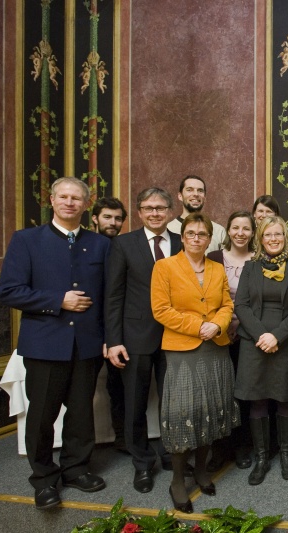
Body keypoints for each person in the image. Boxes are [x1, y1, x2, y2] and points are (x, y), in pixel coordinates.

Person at [0, 177, 109, 510]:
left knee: (80, 414)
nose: (70, 202)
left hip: (87, 344)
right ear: (51, 200)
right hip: (45, 345)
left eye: (77, 198)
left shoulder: (101, 244)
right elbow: (8, 291)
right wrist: (57, 300)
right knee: (42, 415)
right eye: (63, 196)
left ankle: (76, 469)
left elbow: (108, 296)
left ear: (87, 204)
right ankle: (44, 478)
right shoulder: (27, 240)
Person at [151, 213, 239, 514]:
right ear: (183, 236)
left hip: (215, 348)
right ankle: (177, 479)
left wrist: (216, 325)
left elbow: (227, 304)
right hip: (182, 349)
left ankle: (201, 470)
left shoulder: (217, 267)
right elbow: (161, 310)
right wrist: (197, 326)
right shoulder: (165, 267)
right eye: (191, 233)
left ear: (209, 237)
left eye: (203, 234)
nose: (197, 238)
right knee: (182, 413)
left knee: (209, 412)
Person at [105, 187, 181, 494]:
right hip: (134, 337)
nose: (155, 213)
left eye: (161, 208)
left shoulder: (180, 242)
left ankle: (169, 453)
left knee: (171, 401)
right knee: (134, 403)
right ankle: (141, 462)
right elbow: (113, 295)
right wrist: (113, 340)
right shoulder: (123, 244)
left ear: (170, 211)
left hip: (175, 336)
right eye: (148, 208)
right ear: (138, 212)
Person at [233, 216, 288, 484]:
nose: (274, 239)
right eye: (268, 235)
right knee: (257, 399)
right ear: (260, 239)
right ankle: (262, 457)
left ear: (285, 237)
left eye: (278, 234)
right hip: (253, 342)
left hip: (286, 341)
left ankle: (286, 454)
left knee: (285, 397)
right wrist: (262, 335)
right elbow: (240, 305)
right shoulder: (250, 268)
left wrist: (276, 336)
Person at [206, 211, 256, 472]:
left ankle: (241, 447)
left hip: (248, 338)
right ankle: (219, 449)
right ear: (228, 231)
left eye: (246, 228)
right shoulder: (213, 258)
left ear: (252, 232)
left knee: (244, 393)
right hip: (218, 336)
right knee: (219, 393)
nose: (240, 233)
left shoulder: (258, 260)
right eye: (235, 228)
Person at [91, 196, 128, 452]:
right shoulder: (87, 245)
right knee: (82, 394)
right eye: (107, 217)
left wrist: (113, 335)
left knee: (118, 389)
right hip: (89, 329)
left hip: (117, 329)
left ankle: (123, 440)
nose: (113, 223)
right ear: (94, 218)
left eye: (117, 218)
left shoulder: (124, 246)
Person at [167, 175, 227, 254]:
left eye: (200, 191)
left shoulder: (219, 231)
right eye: (189, 190)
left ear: (205, 197)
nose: (196, 194)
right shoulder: (168, 229)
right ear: (180, 196)